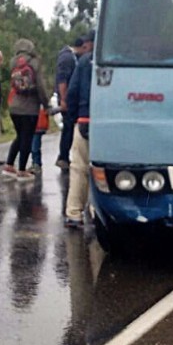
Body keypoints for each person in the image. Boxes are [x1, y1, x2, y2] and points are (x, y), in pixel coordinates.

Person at [2, 38, 48, 181]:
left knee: (19, 136)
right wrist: (46, 104)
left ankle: (9, 165)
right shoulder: (34, 63)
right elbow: (40, 85)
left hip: (14, 106)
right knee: (27, 138)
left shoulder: (13, 62)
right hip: (29, 107)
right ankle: (22, 170)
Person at [64, 32, 94, 228]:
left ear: (90, 43)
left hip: (85, 120)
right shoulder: (116, 60)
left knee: (79, 168)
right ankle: (97, 210)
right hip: (110, 122)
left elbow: (72, 91)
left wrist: (74, 118)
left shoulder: (84, 62)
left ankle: (74, 213)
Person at [55, 33, 93, 170]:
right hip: (69, 101)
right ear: (83, 46)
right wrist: (64, 101)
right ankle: (63, 157)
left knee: (70, 128)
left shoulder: (75, 58)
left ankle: (65, 157)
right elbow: (62, 80)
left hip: (72, 100)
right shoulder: (67, 58)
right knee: (68, 129)